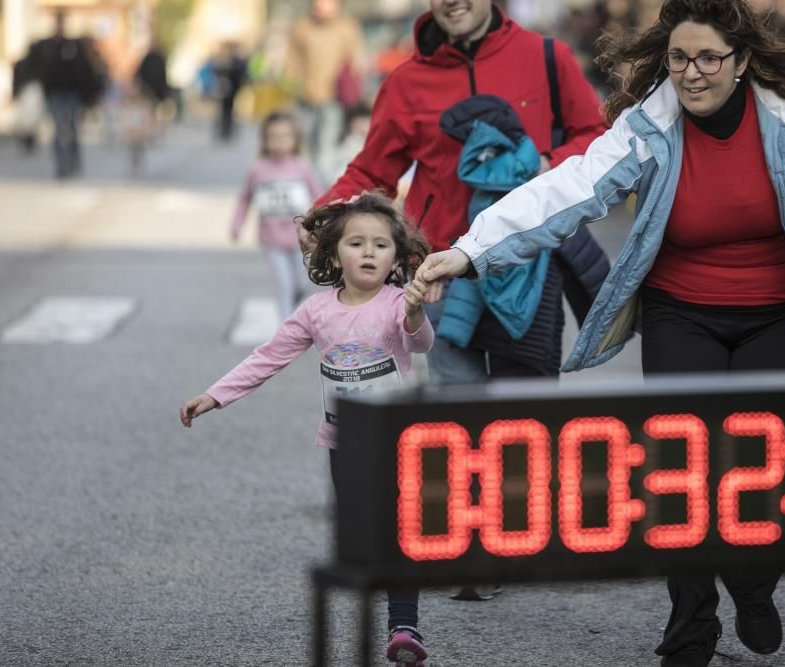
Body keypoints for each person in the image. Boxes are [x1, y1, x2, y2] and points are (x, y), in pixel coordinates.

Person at [416, 0, 785, 665]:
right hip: (682, 308)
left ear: (741, 61)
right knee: (683, 467)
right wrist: (472, 250)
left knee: (757, 472)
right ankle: (691, 624)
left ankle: (753, 582)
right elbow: (572, 187)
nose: (692, 72)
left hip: (777, 313)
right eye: (679, 57)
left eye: (708, 58)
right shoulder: (649, 125)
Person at [180, 192, 434, 667]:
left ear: (398, 256)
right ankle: (380, 590)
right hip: (344, 441)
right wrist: (215, 395)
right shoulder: (316, 312)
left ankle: (403, 626)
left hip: (398, 440)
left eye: (381, 245)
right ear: (334, 252)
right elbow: (267, 357)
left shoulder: (398, 302)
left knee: (403, 529)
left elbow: (419, 343)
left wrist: (417, 313)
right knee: (361, 532)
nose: (368, 252)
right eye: (356, 243)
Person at [307, 0, 609, 387]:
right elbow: (372, 171)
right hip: (438, 270)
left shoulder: (547, 57)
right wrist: (323, 212)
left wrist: (547, 163)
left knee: (523, 422)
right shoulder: (406, 81)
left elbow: (598, 139)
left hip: (526, 265)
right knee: (456, 421)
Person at [231, 111, 322, 319]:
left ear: (295, 139)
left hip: (300, 239)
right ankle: (285, 329)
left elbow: (319, 198)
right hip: (271, 240)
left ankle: (295, 309)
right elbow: (245, 199)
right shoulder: (258, 169)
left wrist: (323, 226)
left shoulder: (302, 168)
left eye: (285, 137)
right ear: (264, 140)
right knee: (283, 285)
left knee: (300, 282)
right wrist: (237, 225)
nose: (279, 142)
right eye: (273, 137)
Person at [284, 0, 365, 182]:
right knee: (306, 145)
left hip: (333, 97)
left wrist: (355, 87)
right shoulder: (302, 27)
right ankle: (311, 183)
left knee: (326, 146)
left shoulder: (346, 27)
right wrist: (294, 85)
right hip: (306, 96)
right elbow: (292, 60)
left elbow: (356, 60)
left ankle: (323, 189)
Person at [28, 11, 106, 178]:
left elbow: (86, 72)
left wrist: (91, 95)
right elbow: (34, 66)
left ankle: (73, 160)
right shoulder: (46, 46)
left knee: (71, 128)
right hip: (54, 94)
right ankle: (61, 165)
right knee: (57, 130)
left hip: (72, 94)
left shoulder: (74, 47)